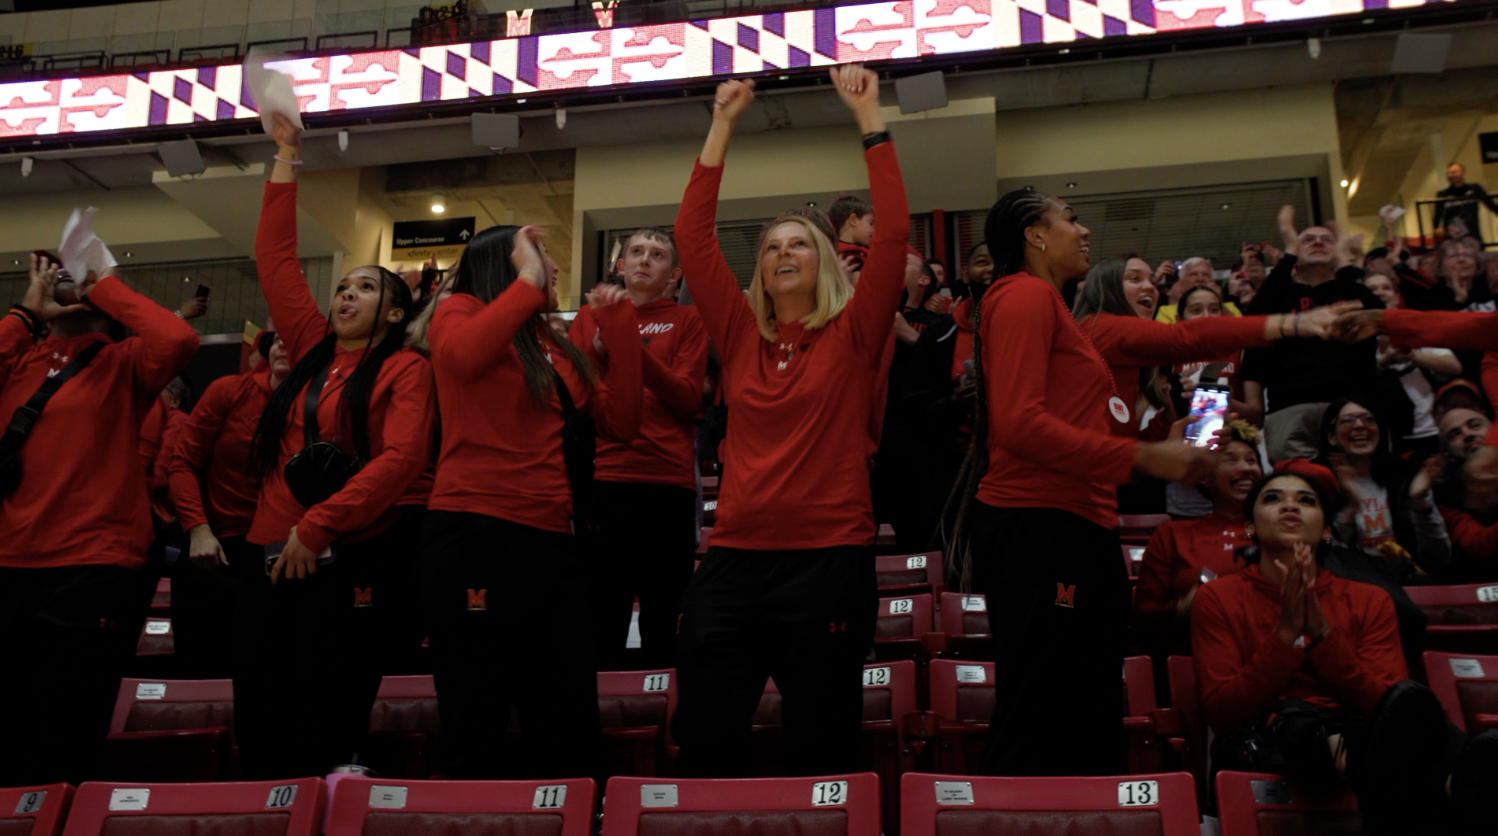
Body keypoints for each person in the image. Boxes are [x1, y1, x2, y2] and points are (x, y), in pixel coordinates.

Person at [667, 65, 905, 778]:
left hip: (828, 560)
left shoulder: (855, 333)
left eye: (798, 243)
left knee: (821, 741)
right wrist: (722, 123)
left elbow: (892, 235)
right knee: (706, 732)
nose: (781, 254)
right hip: (734, 561)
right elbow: (692, 235)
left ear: (826, 261)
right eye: (770, 247)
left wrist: (869, 117)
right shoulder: (741, 336)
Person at [943, 186, 1218, 777]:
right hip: (1056, 516)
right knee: (1047, 701)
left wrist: (1192, 426)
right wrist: (1146, 460)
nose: (1085, 230)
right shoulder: (1053, 311)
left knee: (1083, 696)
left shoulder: (1058, 314)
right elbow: (1021, 425)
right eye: (1070, 219)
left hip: (1088, 512)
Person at [236, 113, 435, 780]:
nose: (347, 293)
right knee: (260, 704)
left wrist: (318, 526)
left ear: (397, 313)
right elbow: (274, 257)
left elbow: (401, 461)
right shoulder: (314, 344)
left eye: (367, 287)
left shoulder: (407, 370)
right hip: (269, 547)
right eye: (344, 286)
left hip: (350, 552)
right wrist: (287, 155)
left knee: (330, 701)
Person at [421, 214, 642, 778]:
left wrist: (620, 328)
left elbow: (622, 422)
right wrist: (525, 280)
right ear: (511, 263)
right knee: (475, 709)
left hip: (552, 540)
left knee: (567, 712)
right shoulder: (459, 310)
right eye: (543, 256)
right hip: (475, 532)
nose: (557, 268)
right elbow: (463, 357)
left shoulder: (554, 342)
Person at [1192, 468, 1497, 836]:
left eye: (1306, 500)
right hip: (1266, 738)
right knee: (1300, 721)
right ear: (1250, 528)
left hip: (1365, 730)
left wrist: (1321, 634)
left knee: (1418, 717)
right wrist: (1286, 634)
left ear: (1324, 531)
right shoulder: (1217, 597)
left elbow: (1390, 704)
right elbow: (1224, 712)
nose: (1290, 505)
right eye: (1273, 498)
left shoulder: (1370, 599)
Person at [0, 253, 198, 788]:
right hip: (10, 558)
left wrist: (105, 287)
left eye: (74, 276)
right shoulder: (21, 361)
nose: (62, 282)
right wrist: (23, 314)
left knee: (63, 720)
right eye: (54, 275)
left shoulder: (125, 361)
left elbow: (177, 340)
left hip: (93, 559)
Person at [572, 227, 707, 672]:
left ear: (674, 275)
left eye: (657, 254)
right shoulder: (587, 318)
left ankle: (665, 720)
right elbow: (572, 399)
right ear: (620, 266)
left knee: (663, 616)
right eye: (636, 252)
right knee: (598, 616)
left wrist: (627, 346)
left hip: (666, 484)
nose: (645, 260)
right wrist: (597, 353)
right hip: (604, 482)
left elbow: (688, 399)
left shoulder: (688, 321)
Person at [166, 335, 290, 680]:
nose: (284, 345)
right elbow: (183, 462)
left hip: (281, 555)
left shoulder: (323, 402)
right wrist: (198, 529)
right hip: (214, 548)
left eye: (295, 339)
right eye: (279, 339)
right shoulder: (230, 390)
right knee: (201, 668)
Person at [1243, 206, 1384, 461]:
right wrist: (1288, 251)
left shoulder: (1350, 289)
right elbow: (1254, 320)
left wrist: (1343, 261)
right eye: (1307, 239)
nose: (1318, 242)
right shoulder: (1280, 294)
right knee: (1297, 489)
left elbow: (1379, 315)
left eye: (1326, 240)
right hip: (1291, 406)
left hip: (1352, 405)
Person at [1134, 421, 1261, 659]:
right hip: (1192, 655)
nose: (1245, 468)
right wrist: (1183, 609)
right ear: (1207, 477)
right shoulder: (1172, 535)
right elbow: (1144, 623)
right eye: (1231, 460)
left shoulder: (1276, 532)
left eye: (1252, 460)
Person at [1315, 397, 1450, 579]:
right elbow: (1324, 557)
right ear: (1331, 436)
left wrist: (1420, 503)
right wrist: (1350, 510)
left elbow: (1438, 559)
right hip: (1353, 587)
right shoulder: (1320, 483)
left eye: (1368, 419)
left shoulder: (1407, 477)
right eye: (1347, 420)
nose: (1360, 425)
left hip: (1409, 583)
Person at [1433, 406, 1498, 580]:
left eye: (1475, 425)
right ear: (1448, 456)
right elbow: (1478, 546)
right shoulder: (1443, 498)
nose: (1468, 434)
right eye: (1455, 434)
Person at [1152, 256, 1242, 323]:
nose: (1200, 279)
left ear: (1212, 281)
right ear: (1181, 283)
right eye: (1194, 274)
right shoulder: (1165, 311)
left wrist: (1219, 301)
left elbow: (1240, 335)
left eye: (1205, 275)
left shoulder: (1230, 308)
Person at [1434, 162, 1498, 244]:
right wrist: (1437, 227)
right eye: (1448, 173)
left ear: (1463, 174)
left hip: (1473, 234)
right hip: (1454, 235)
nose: (1451, 175)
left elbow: (1491, 204)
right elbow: (1437, 214)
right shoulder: (1443, 194)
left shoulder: (1475, 189)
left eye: (1454, 172)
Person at [828, 193, 874, 274]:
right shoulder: (846, 257)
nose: (873, 230)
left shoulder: (831, 252)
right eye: (870, 223)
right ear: (853, 220)